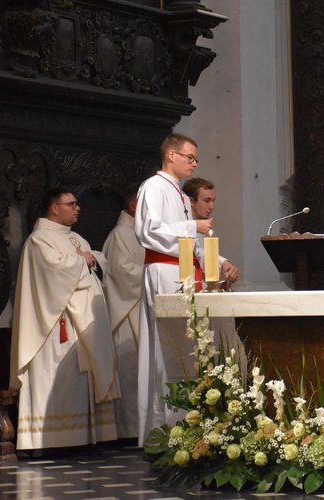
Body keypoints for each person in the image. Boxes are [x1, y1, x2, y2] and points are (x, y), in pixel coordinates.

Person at [10, 188, 120, 451]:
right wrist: (81, 261)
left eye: (77, 203)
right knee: (60, 377)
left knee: (82, 378)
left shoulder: (75, 238)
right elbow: (54, 272)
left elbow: (96, 260)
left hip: (84, 323)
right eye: (71, 204)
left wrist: (88, 259)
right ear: (54, 208)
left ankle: (84, 436)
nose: (77, 208)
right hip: (57, 324)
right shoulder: (39, 240)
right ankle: (50, 439)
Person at [134, 133, 216, 445]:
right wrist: (191, 227)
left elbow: (191, 244)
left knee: (183, 349)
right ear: (171, 155)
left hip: (182, 272)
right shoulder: (153, 187)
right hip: (162, 270)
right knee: (162, 349)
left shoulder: (181, 195)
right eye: (189, 157)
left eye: (195, 158)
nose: (194, 163)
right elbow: (148, 232)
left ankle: (182, 423)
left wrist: (215, 264)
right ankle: (160, 429)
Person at [102, 184, 144, 439]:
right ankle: (128, 431)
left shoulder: (139, 234)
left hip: (140, 308)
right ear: (133, 206)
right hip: (127, 313)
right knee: (129, 374)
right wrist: (155, 276)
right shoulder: (120, 234)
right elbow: (121, 273)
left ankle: (141, 428)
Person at [182, 177, 239, 284]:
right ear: (191, 201)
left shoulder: (204, 227)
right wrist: (223, 262)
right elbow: (196, 253)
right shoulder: (183, 226)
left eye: (213, 201)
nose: (212, 207)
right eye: (207, 201)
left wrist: (224, 263)